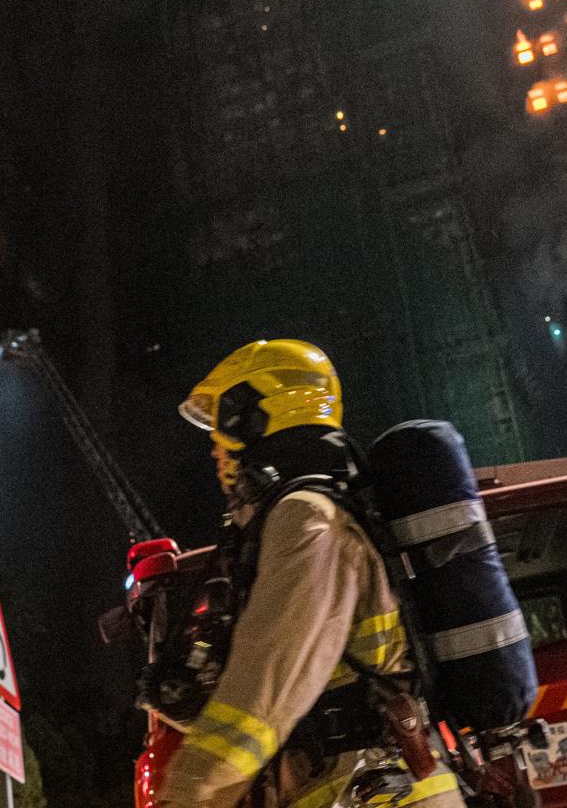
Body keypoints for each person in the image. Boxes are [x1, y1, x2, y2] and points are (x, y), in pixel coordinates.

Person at [157, 339, 463, 808]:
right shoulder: (315, 511)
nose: (215, 450)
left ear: (255, 415)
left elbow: (270, 681)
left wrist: (189, 795)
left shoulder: (305, 517)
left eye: (221, 427)